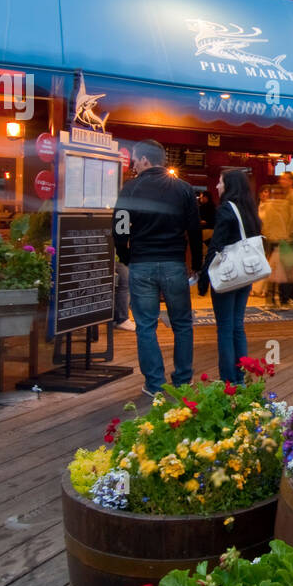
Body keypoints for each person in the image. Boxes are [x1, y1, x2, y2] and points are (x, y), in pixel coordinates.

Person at [113, 140, 202, 396]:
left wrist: (126, 255)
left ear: (143, 160)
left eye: (134, 161)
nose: (133, 166)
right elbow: (194, 229)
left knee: (146, 325)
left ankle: (154, 385)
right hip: (174, 264)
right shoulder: (184, 189)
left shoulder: (129, 189)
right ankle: (183, 380)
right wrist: (195, 264)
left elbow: (119, 228)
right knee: (182, 324)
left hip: (141, 263)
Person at [199, 168, 262, 384]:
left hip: (227, 274)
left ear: (229, 185)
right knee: (237, 326)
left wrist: (204, 277)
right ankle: (241, 378)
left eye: (220, 182)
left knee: (225, 328)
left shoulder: (226, 209)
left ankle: (228, 380)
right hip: (245, 274)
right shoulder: (250, 209)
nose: (217, 186)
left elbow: (216, 245)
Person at [274, 172, 293, 304]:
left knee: (287, 268)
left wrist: (285, 235)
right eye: (281, 179)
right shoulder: (287, 196)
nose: (281, 181)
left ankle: (286, 298)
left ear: (291, 181)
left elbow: (292, 219)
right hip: (286, 237)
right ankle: (288, 296)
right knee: (285, 267)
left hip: (290, 238)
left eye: (285, 179)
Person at [257, 187, 287, 306]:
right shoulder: (262, 206)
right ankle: (265, 290)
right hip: (265, 237)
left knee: (271, 264)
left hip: (274, 238)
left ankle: (267, 291)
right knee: (266, 263)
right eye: (264, 192)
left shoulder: (276, 207)